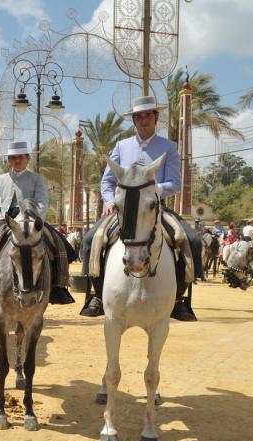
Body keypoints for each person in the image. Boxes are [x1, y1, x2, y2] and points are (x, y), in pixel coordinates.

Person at [78, 95, 203, 320]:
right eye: (138, 116)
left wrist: (150, 192)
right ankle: (96, 295)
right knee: (90, 240)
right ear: (134, 120)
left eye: (148, 115)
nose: (143, 120)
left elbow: (174, 182)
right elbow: (107, 181)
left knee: (191, 240)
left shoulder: (169, 148)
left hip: (154, 207)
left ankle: (178, 300)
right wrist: (108, 201)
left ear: (155, 117)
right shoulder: (121, 146)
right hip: (123, 209)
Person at [0, 141, 75, 305]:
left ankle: (57, 287)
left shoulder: (37, 178)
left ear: (28, 159)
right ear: (9, 160)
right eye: (13, 158)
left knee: (61, 245)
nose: (16, 160)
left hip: (32, 219)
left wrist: (34, 218)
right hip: (7, 220)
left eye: (20, 157)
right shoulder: (2, 178)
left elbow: (42, 201)